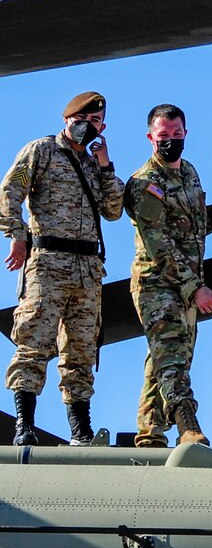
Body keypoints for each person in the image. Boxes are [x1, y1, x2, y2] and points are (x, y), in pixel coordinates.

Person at [1, 92, 124, 446]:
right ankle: (24, 423)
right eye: (83, 120)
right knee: (33, 342)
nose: (89, 126)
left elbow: (113, 210)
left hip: (87, 269)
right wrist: (17, 235)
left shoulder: (94, 164)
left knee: (81, 351)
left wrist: (105, 165)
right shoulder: (41, 150)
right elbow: (9, 191)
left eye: (97, 122)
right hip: (47, 262)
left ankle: (80, 430)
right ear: (67, 119)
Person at [125, 104, 212, 447]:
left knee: (163, 357)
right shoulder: (144, 184)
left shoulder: (189, 172)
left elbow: (198, 225)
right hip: (157, 283)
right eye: (164, 136)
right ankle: (187, 426)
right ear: (150, 137)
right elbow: (158, 245)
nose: (171, 142)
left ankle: (150, 432)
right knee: (173, 354)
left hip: (186, 284)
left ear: (186, 135)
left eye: (177, 135)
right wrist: (195, 289)